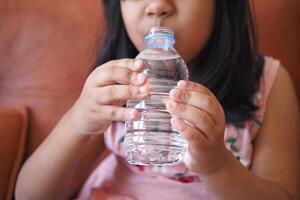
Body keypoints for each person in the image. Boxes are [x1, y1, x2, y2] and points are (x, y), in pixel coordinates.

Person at [15, 0, 300, 200]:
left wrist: (217, 166)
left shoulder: (265, 82)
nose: (157, 5)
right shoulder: (117, 84)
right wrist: (78, 120)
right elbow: (30, 194)